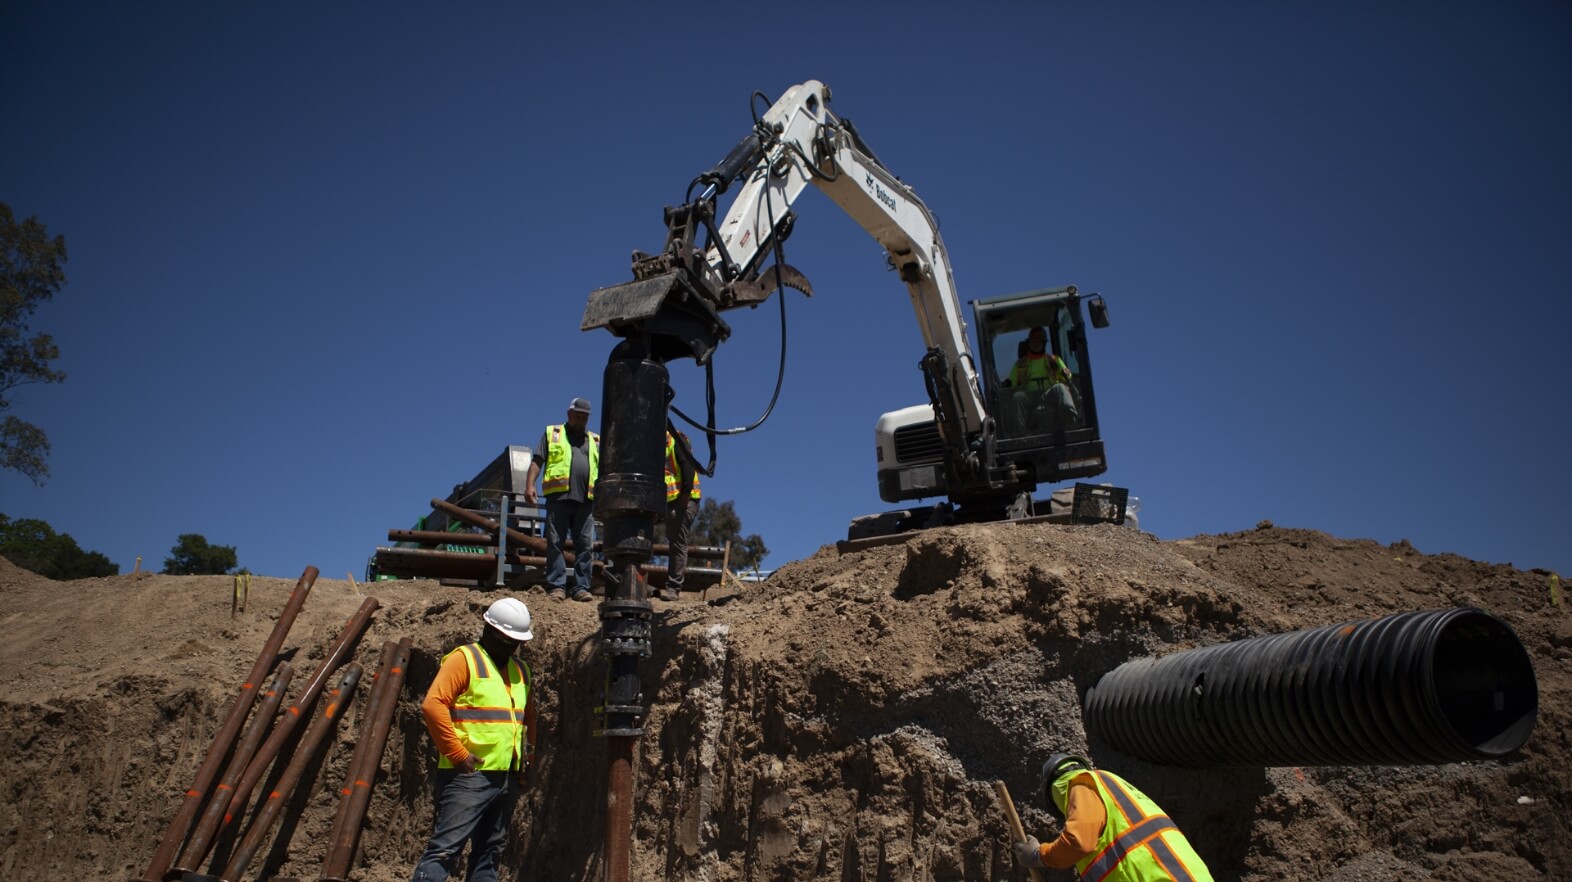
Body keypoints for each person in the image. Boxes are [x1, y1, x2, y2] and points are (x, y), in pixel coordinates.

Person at [410, 597, 538, 882]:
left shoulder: (521, 671)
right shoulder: (464, 659)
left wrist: (526, 759)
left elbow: (527, 719)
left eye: (517, 641)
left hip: (506, 776)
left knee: (489, 853)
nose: (514, 645)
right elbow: (433, 705)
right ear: (492, 631)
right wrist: (457, 753)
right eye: (509, 639)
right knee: (444, 851)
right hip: (469, 775)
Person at [1013, 753, 1214, 881]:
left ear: (1054, 792)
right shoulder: (1115, 790)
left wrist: (1038, 855)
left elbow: (1078, 842)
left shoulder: (1081, 785)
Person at [524, 397, 599, 602]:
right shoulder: (553, 434)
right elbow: (538, 460)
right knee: (555, 542)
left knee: (585, 545)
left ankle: (581, 587)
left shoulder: (595, 440)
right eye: (577, 416)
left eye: (584, 417)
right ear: (568, 414)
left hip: (586, 500)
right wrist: (530, 485)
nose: (580, 420)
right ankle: (557, 586)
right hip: (559, 497)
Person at [1003, 326, 1079, 434]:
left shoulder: (1054, 360)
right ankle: (1019, 433)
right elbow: (1012, 384)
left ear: (1044, 343)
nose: (1036, 343)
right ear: (1028, 343)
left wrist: (1067, 374)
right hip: (1029, 396)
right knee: (1018, 396)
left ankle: (1071, 420)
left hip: (1049, 394)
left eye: (1039, 340)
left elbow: (1068, 375)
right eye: (1033, 340)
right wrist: (1007, 384)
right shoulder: (1020, 365)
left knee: (1060, 387)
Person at [659, 429, 702, 602]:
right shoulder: (655, 444)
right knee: (673, 540)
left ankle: (674, 587)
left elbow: (688, 467)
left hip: (684, 499)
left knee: (677, 541)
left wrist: (684, 495)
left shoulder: (676, 441)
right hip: (670, 500)